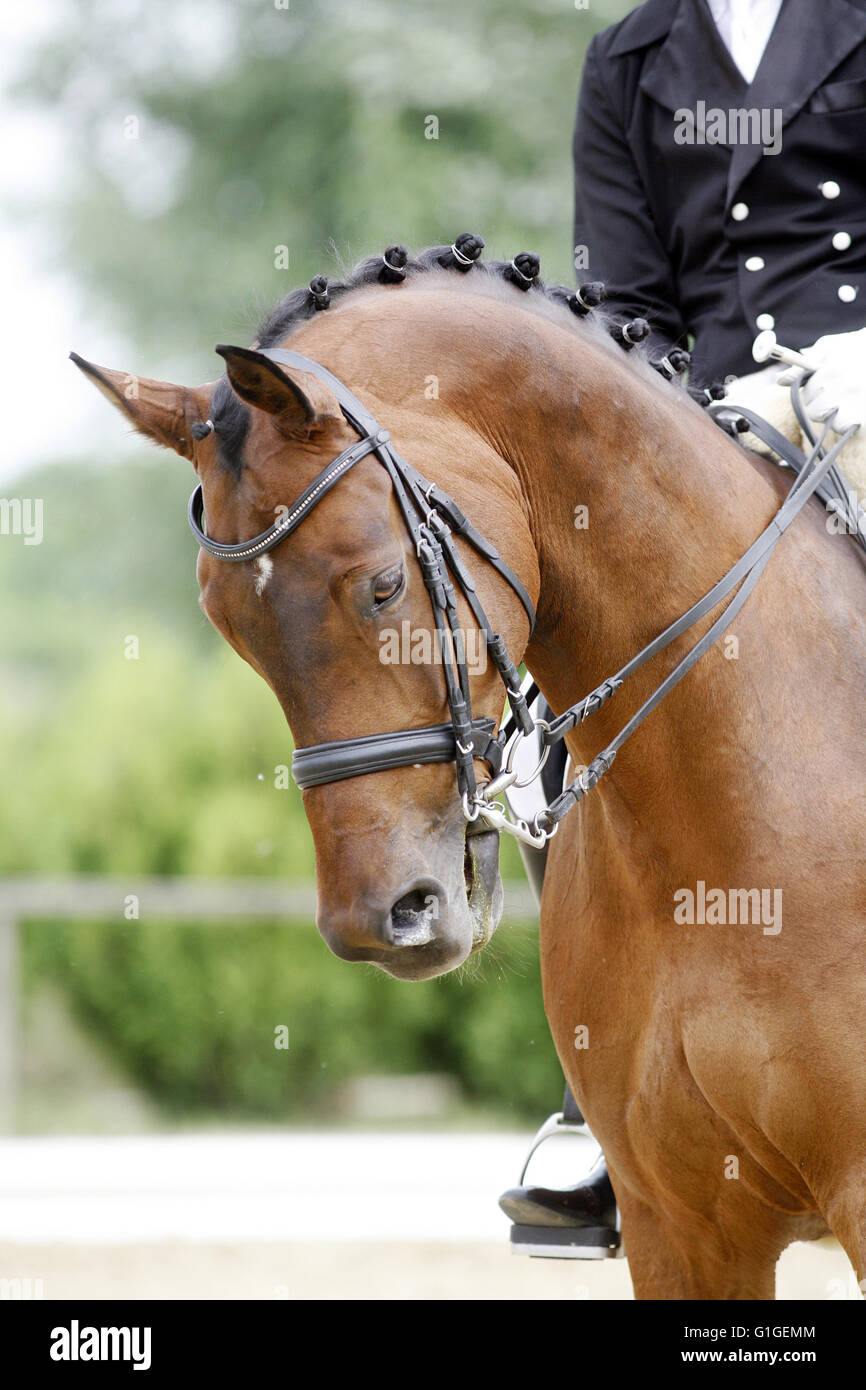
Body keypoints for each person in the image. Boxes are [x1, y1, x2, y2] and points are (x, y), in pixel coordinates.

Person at [501, 0, 866, 1256]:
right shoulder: (627, 55)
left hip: (861, 386)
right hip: (707, 421)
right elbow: (621, 297)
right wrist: (670, 430)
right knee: (564, 699)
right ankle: (596, 1098)